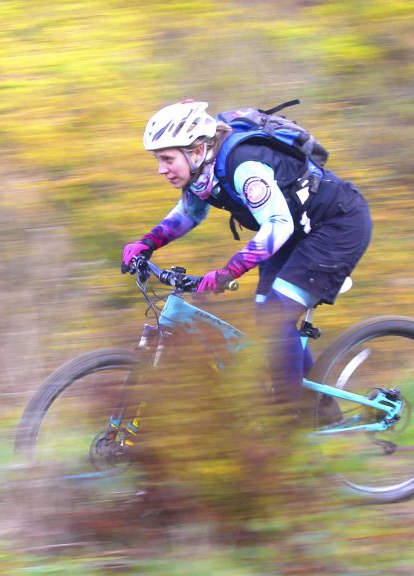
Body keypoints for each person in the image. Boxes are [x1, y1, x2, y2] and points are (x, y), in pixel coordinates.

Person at [121, 100, 372, 410]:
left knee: (273, 319)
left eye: (167, 159)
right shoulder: (202, 174)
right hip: (297, 232)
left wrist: (229, 271)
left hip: (336, 225)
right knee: (267, 319)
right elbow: (189, 214)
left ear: (196, 150)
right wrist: (147, 243)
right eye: (158, 160)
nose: (161, 169)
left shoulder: (243, 166)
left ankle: (288, 421)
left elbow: (278, 224)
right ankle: (318, 410)